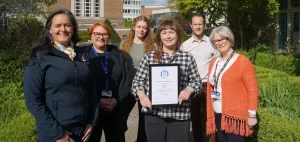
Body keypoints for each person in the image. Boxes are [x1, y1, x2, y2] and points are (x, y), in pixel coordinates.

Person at [23, 9, 98, 142]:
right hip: (56, 133)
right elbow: (33, 101)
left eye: (67, 25)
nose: (63, 29)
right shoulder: (40, 57)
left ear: (73, 29)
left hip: (84, 131)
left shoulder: (82, 55)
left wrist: (92, 122)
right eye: (57, 25)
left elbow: (92, 91)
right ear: (49, 30)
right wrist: (58, 133)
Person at [131, 20, 202, 142]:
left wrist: (189, 89)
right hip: (153, 114)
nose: (168, 36)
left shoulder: (187, 57)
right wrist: (142, 96)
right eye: (164, 33)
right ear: (160, 36)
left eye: (171, 32)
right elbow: (137, 82)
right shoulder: (149, 57)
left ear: (178, 35)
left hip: (179, 115)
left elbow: (197, 82)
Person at [206, 26, 258, 142]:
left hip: (234, 117)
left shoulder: (243, 61)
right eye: (216, 41)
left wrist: (252, 115)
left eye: (223, 39)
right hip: (217, 113)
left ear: (229, 39)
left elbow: (253, 89)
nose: (220, 43)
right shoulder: (214, 61)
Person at [84, 22, 128, 142]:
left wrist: (117, 99)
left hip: (114, 108)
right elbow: (81, 83)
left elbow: (124, 79)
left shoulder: (118, 54)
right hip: (92, 109)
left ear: (109, 36)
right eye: (97, 33)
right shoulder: (83, 55)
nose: (101, 37)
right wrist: (98, 100)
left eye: (104, 34)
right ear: (91, 35)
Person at [181, 13, 219, 142]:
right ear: (191, 26)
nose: (198, 27)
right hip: (192, 86)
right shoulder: (185, 46)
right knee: (195, 117)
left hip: (209, 85)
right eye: (195, 24)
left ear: (204, 25)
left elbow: (218, 63)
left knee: (212, 117)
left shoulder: (213, 43)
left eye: (200, 24)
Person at [120, 15, 154, 142]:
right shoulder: (124, 44)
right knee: (121, 118)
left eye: (144, 28)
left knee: (144, 120)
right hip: (127, 87)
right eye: (139, 27)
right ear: (134, 27)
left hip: (144, 89)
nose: (141, 30)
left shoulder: (151, 46)